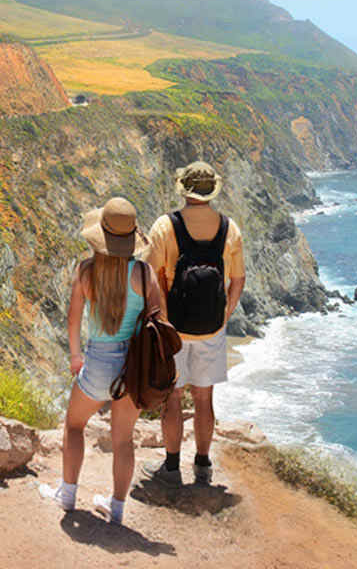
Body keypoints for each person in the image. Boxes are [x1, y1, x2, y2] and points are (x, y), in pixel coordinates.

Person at [40, 197, 163, 524]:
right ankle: (117, 508)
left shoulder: (86, 271)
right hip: (133, 367)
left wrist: (76, 356)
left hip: (98, 362)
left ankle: (67, 495)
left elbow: (72, 320)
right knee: (123, 440)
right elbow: (159, 321)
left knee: (74, 425)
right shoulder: (143, 273)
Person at [145, 162, 245, 486]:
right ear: (212, 190)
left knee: (172, 398)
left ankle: (171, 468)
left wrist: (160, 321)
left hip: (172, 329)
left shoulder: (165, 226)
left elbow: (150, 277)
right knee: (205, 400)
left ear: (184, 189)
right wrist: (224, 315)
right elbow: (238, 280)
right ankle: (203, 467)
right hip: (211, 329)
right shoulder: (230, 228)